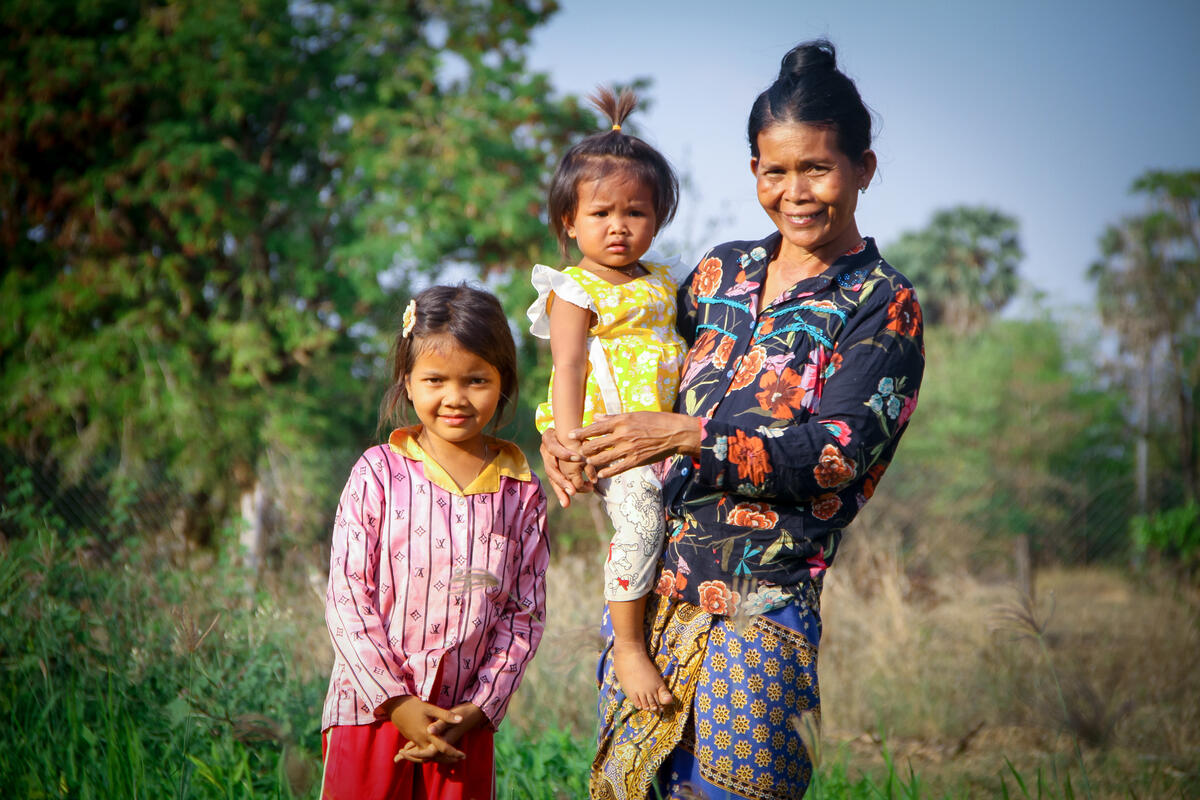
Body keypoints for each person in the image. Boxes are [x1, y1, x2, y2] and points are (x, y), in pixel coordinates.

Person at [541, 40, 925, 799]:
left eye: (817, 167)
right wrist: (564, 433)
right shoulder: (719, 273)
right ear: (754, 172)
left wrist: (684, 435)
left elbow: (837, 454)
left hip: (763, 606)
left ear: (863, 169)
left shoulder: (882, 303)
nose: (797, 191)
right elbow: (626, 351)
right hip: (650, 601)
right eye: (776, 171)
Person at [320, 285, 550, 800]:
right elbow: (346, 596)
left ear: (503, 382)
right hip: (370, 715)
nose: (455, 397)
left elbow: (524, 613)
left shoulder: (521, 490)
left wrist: (478, 707)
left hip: (460, 727)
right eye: (435, 380)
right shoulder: (378, 474)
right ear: (408, 382)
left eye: (476, 380)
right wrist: (396, 703)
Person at [526, 87, 685, 713]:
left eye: (636, 213)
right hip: (610, 433)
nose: (618, 227)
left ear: (658, 217)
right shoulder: (574, 289)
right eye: (600, 214)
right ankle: (626, 643)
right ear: (570, 221)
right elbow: (566, 366)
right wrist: (568, 442)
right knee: (641, 516)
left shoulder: (663, 279)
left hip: (661, 430)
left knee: (667, 519)